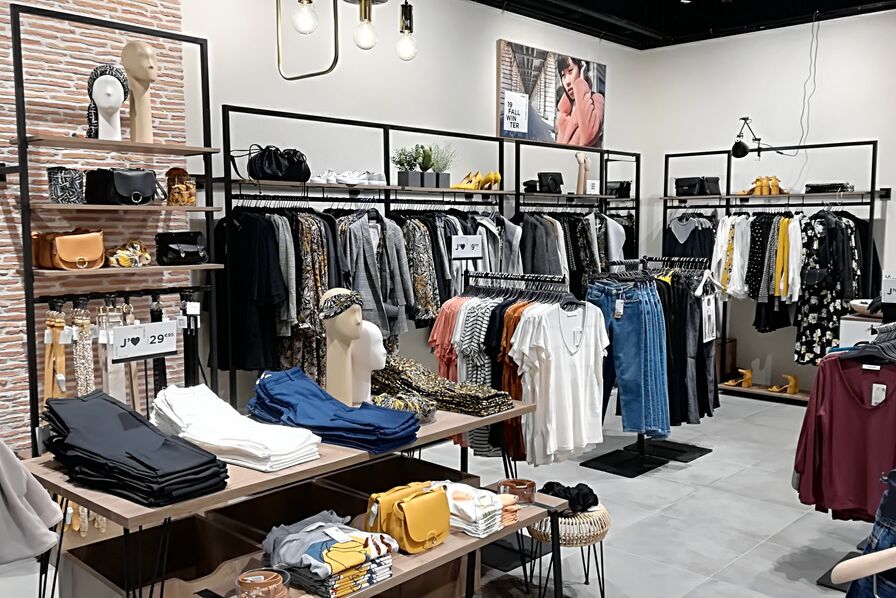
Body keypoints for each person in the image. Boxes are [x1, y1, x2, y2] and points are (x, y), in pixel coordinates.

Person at [555, 55, 604, 147]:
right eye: (563, 76)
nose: (567, 81)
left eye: (570, 71)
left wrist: (581, 82)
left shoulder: (597, 99)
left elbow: (589, 135)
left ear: (581, 69)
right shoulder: (564, 112)